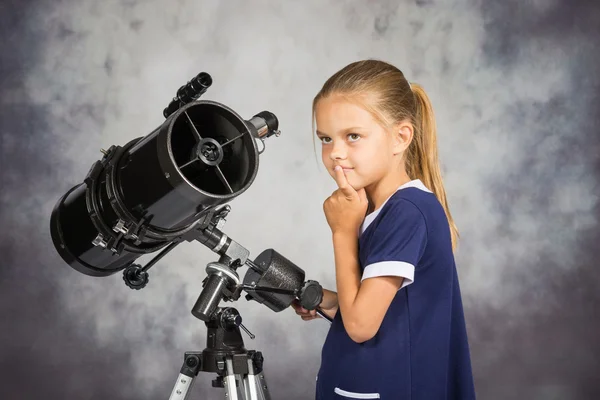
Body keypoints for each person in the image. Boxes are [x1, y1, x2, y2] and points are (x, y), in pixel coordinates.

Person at [291, 59, 476, 399]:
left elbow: (361, 326)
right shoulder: (381, 209)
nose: (336, 154)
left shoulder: (407, 212)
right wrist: (328, 302)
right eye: (326, 139)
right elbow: (390, 311)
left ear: (400, 137)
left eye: (353, 136)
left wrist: (343, 232)